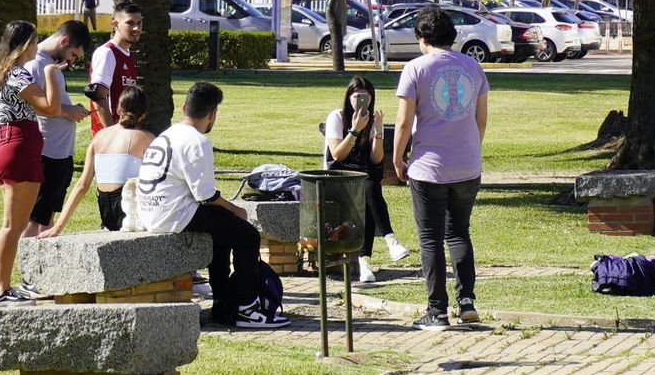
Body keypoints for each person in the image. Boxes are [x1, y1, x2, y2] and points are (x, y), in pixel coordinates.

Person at [137, 82, 289, 328]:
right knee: (247, 236)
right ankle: (246, 307)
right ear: (212, 115)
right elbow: (205, 196)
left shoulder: (167, 134)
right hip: (173, 213)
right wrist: (237, 210)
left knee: (221, 234)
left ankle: (223, 304)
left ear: (185, 107)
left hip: (152, 210)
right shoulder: (197, 141)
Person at [393, 6, 489, 331]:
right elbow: (480, 120)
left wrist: (397, 158)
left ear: (423, 38)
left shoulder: (415, 68)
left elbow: (404, 122)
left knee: (431, 238)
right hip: (467, 165)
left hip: (428, 168)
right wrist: (471, 149)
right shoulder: (473, 67)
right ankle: (467, 303)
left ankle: (436, 310)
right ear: (452, 36)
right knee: (459, 232)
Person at [0, 20, 68, 306]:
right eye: (34, 40)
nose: (36, 45)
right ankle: (2, 292)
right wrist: (51, 73)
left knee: (8, 224)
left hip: (4, 148)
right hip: (19, 148)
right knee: (13, 226)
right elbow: (51, 109)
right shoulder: (18, 75)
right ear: (24, 44)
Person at [323, 77, 411, 283]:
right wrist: (354, 130)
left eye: (366, 96)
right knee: (369, 189)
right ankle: (389, 241)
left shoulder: (372, 120)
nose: (361, 100)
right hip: (338, 178)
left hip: (362, 177)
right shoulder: (337, 117)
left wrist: (377, 132)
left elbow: (376, 159)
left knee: (369, 189)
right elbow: (337, 155)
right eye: (356, 96)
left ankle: (366, 263)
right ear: (349, 97)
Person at [39, 86, 155, 237]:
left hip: (106, 212)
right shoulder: (147, 138)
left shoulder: (99, 136)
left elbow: (82, 185)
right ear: (144, 114)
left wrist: (58, 226)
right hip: (129, 211)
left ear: (119, 109)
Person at [23, 21, 93, 239]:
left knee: (47, 221)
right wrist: (67, 111)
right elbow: (33, 104)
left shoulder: (50, 64)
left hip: (60, 153)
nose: (71, 60)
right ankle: (25, 269)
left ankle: (44, 270)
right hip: (47, 152)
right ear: (63, 41)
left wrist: (71, 110)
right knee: (33, 220)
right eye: (72, 54)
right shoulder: (36, 63)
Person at [87, 3, 143, 134]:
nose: (136, 28)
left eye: (139, 23)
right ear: (115, 24)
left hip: (125, 135)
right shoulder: (107, 53)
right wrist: (112, 135)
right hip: (109, 138)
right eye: (130, 23)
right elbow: (98, 98)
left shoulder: (128, 55)